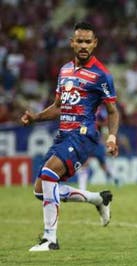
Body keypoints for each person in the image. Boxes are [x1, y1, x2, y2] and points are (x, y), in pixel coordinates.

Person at [20, 22, 120, 251]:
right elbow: (58, 107)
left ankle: (50, 240)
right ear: (72, 43)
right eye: (79, 41)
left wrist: (112, 137)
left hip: (83, 135)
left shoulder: (102, 75)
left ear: (95, 44)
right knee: (40, 190)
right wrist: (35, 117)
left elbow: (113, 111)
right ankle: (98, 199)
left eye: (88, 42)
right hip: (63, 135)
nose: (83, 46)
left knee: (48, 175)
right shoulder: (64, 70)